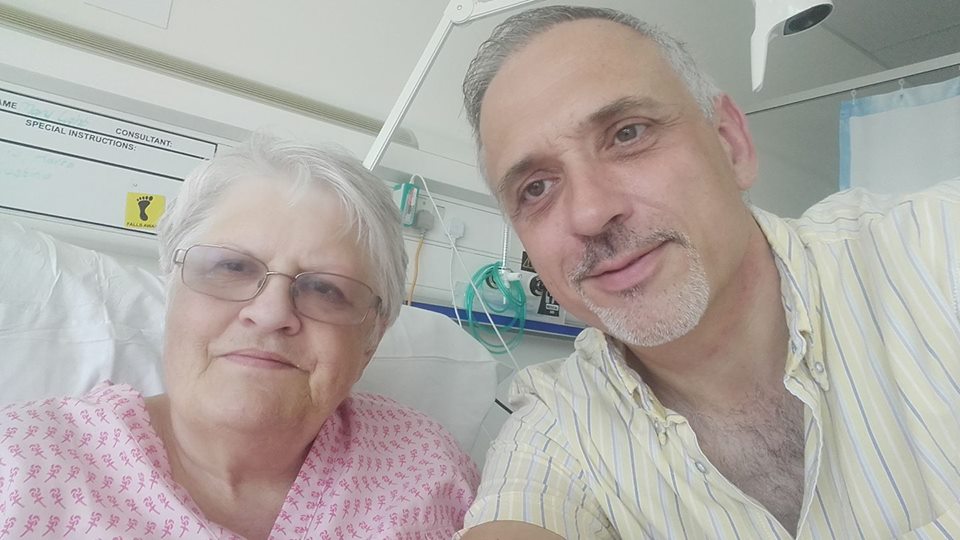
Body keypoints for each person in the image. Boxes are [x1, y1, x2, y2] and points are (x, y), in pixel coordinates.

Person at [456, 5, 960, 539]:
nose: (590, 212)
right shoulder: (555, 429)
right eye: (535, 188)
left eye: (627, 134)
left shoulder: (935, 250)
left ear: (730, 144)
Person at [0, 135, 478, 539]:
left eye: (325, 289)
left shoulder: (429, 472)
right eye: (232, 267)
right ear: (172, 289)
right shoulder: (22, 464)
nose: (271, 314)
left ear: (372, 338)